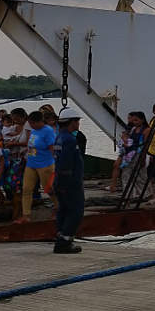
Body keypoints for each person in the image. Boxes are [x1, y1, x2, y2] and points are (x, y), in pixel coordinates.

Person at [53, 107, 85, 254]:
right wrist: (65, 184)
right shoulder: (70, 139)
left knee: (64, 210)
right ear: (72, 122)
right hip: (71, 183)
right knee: (75, 211)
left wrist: (59, 183)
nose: (78, 124)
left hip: (60, 180)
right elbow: (66, 163)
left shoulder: (59, 137)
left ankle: (61, 237)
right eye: (77, 121)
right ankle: (65, 241)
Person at [15, 111, 56, 224]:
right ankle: (26, 215)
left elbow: (53, 148)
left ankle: (58, 207)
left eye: (32, 123)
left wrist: (56, 163)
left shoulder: (48, 131)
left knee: (48, 189)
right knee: (26, 189)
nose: (30, 125)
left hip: (45, 164)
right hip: (31, 163)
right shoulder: (33, 131)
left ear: (39, 122)